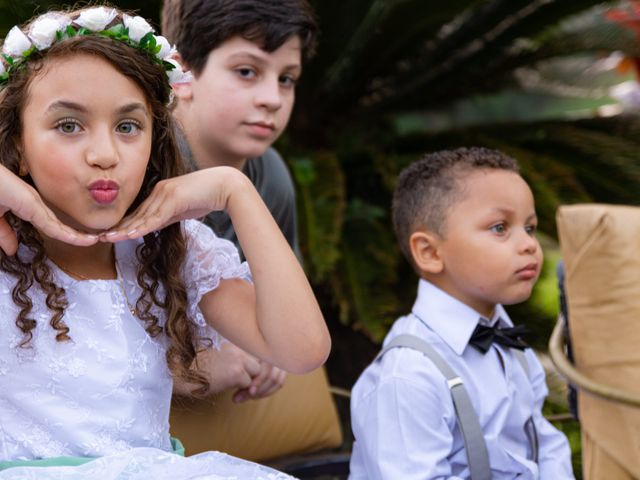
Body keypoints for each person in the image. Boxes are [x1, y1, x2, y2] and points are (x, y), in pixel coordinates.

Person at [0, 6, 329, 479]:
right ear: (18, 146)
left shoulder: (174, 248)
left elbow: (302, 350)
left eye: (128, 126)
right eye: (69, 125)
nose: (105, 155)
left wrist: (237, 193)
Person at [348, 148, 574, 479]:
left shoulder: (510, 344)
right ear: (429, 252)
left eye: (530, 227)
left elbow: (543, 442)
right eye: (500, 227)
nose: (529, 244)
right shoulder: (410, 375)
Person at [161, 0, 318, 402]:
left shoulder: (270, 177)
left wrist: (271, 355)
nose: (273, 98)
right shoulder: (130, 166)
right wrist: (189, 370)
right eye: (247, 72)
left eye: (287, 78)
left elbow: (288, 315)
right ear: (182, 71)